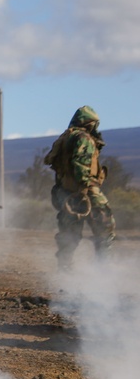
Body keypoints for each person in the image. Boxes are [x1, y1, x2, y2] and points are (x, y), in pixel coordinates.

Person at [44, 105, 116, 270]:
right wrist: (84, 189)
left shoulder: (66, 138)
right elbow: (80, 164)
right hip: (85, 191)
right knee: (105, 228)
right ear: (90, 123)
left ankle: (65, 269)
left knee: (69, 234)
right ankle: (103, 269)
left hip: (66, 192)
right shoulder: (84, 138)